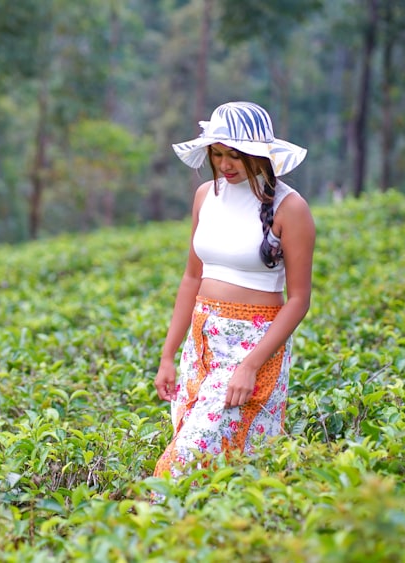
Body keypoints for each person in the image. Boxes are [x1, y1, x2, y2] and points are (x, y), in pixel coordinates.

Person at [153, 101, 316, 478]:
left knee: (185, 462)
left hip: (254, 344)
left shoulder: (291, 209)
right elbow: (192, 279)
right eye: (217, 153)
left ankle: (148, 521)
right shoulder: (205, 197)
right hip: (202, 342)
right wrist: (167, 355)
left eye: (235, 155)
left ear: (259, 156)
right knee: (210, 466)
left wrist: (251, 365)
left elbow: (300, 300)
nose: (224, 164)